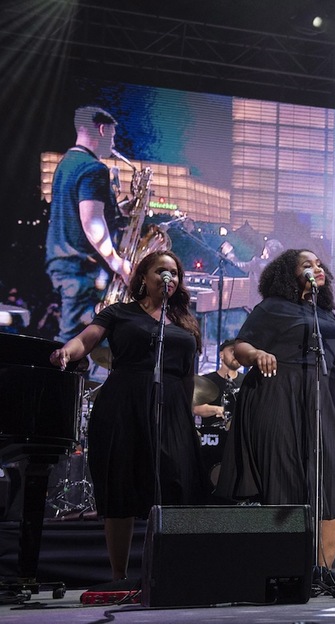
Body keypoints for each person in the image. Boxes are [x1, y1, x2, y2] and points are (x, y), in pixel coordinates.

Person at [49, 251, 206, 582]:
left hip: (172, 408)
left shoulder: (186, 323)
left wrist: (187, 417)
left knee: (175, 484)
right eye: (161, 271)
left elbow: (188, 376)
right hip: (124, 405)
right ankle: (119, 577)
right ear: (144, 277)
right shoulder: (119, 312)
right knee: (121, 485)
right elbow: (86, 340)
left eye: (174, 272)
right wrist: (66, 351)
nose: (169, 277)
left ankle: (167, 575)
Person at [214, 249, 335, 570]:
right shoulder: (272, 307)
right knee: (285, 478)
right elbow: (241, 346)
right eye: (306, 265)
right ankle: (286, 570)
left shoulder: (323, 311)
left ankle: (322, 572)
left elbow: (322, 358)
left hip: (323, 400)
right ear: (289, 274)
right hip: (278, 395)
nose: (317, 268)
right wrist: (257, 355)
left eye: (319, 264)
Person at [46, 106, 132, 343]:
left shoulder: (67, 163)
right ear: (102, 130)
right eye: (112, 135)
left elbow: (77, 211)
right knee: (73, 342)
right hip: (81, 269)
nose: (113, 142)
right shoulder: (94, 168)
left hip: (65, 263)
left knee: (77, 340)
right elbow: (91, 220)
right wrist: (117, 263)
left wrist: (120, 210)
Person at [193, 338, 243, 429]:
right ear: (221, 355)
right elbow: (196, 408)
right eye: (232, 351)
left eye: (239, 352)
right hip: (212, 433)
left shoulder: (246, 381)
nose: (236, 355)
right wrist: (217, 410)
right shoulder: (206, 380)